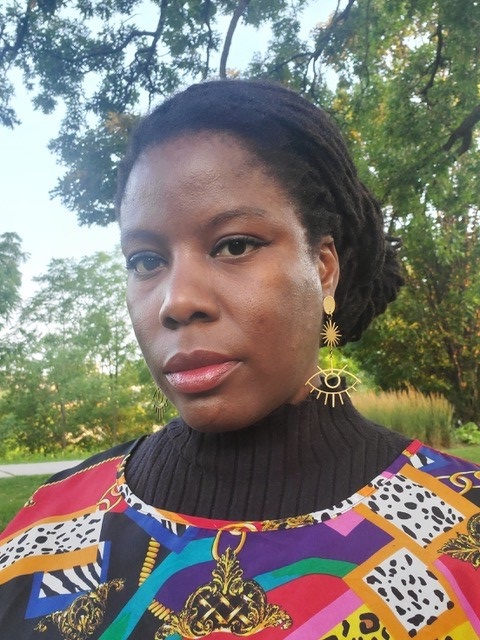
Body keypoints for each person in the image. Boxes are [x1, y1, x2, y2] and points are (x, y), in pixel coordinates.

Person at [1, 79, 479, 640]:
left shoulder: (458, 534)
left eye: (234, 245)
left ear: (322, 267)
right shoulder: (46, 529)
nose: (177, 301)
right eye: (147, 259)